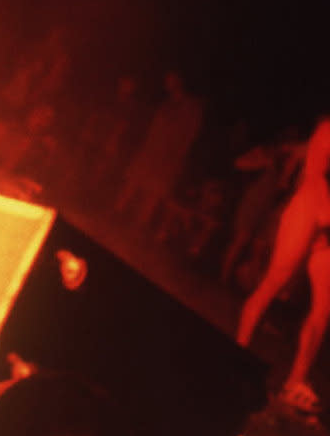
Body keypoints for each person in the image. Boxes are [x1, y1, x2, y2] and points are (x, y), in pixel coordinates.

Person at [234, 86, 330, 413]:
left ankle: (295, 381)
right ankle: (236, 353)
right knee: (274, 282)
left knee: (327, 305)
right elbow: (317, 177)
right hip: (308, 210)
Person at [114, 71, 204, 245]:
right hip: (151, 151)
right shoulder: (167, 103)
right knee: (133, 182)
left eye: (171, 78)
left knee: (153, 193)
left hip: (168, 158)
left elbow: (188, 137)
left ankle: (137, 227)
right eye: (167, 78)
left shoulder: (192, 108)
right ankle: (117, 213)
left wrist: (177, 159)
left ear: (180, 81)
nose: (167, 82)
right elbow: (155, 128)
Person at [219, 127, 304, 289]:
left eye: (294, 141)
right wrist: (260, 161)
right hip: (256, 201)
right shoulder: (267, 153)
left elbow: (284, 185)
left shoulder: (293, 160)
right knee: (241, 241)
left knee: (259, 248)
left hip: (272, 206)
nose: (290, 144)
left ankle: (248, 288)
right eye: (289, 140)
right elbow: (239, 163)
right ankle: (223, 279)